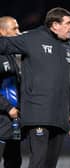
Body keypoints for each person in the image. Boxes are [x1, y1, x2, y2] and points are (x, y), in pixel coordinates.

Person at [0, 7, 70, 168]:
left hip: (60, 117)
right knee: (38, 162)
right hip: (38, 114)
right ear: (55, 25)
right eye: (68, 23)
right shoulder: (32, 38)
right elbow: (3, 44)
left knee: (49, 165)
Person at [0, 16, 21, 168]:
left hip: (12, 120)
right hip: (3, 117)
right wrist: (9, 108)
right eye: (15, 29)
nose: (19, 33)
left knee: (14, 162)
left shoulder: (12, 55)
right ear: (2, 31)